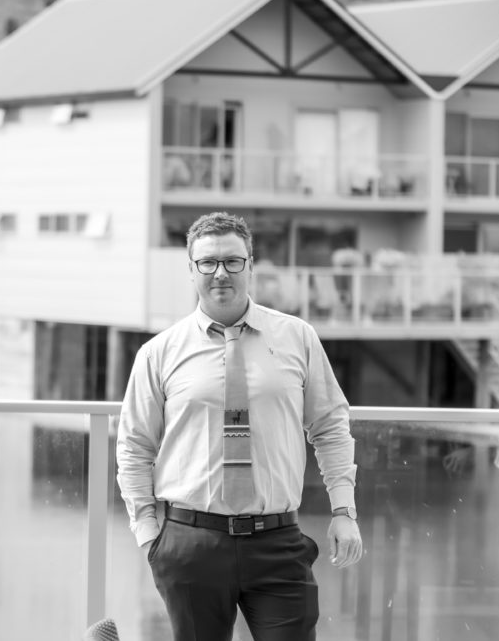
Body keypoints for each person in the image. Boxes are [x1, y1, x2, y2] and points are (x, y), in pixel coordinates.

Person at [116, 211, 362, 641]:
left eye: (232, 261)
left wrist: (343, 510)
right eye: (207, 263)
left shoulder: (297, 338)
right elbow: (134, 447)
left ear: (250, 264)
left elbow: (330, 426)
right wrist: (149, 537)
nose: (220, 273)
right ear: (191, 269)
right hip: (190, 543)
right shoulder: (159, 353)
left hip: (278, 541)